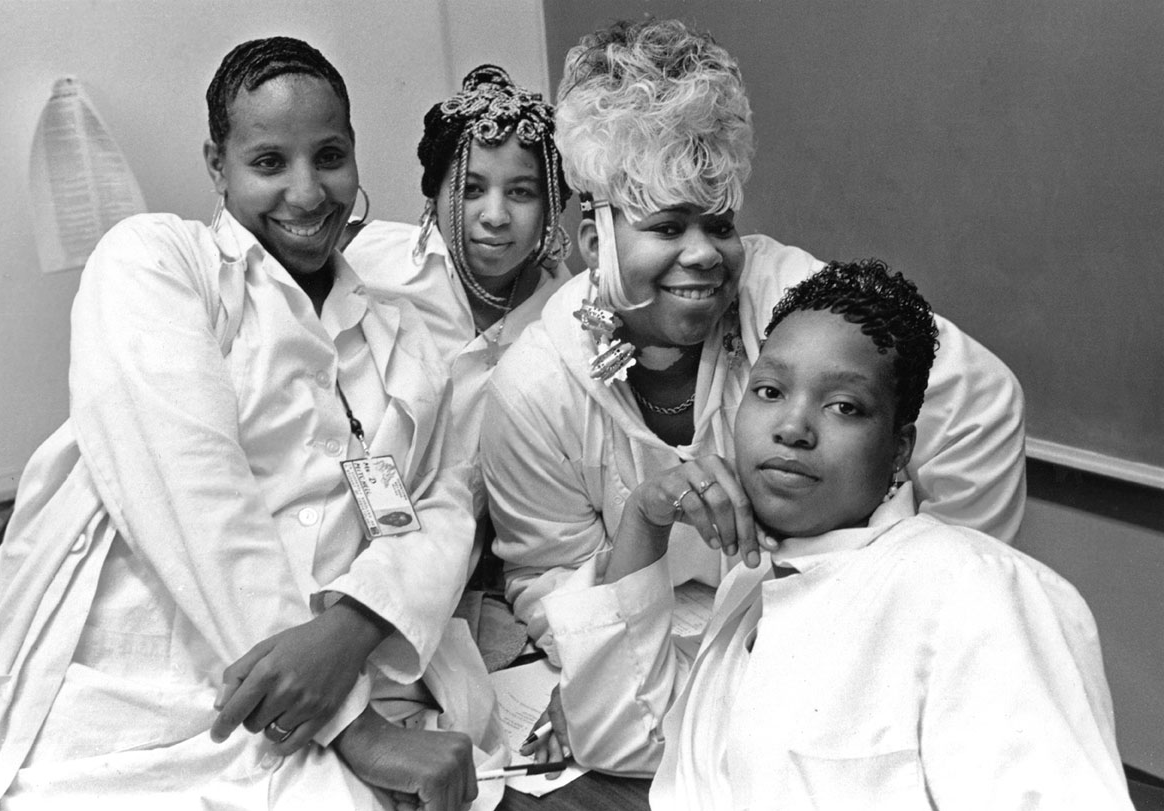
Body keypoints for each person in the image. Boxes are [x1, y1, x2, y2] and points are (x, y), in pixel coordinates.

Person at [0, 37, 502, 811]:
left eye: (329, 156)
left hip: (314, 699)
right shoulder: (155, 263)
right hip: (126, 692)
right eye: (269, 162)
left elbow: (442, 508)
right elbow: (194, 491)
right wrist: (354, 728)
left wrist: (354, 624)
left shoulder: (403, 335)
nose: (307, 193)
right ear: (217, 165)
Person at [481, 18, 1026, 669]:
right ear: (597, 244)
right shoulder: (535, 387)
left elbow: (979, 400)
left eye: (719, 225)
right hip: (652, 674)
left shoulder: (788, 298)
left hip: (822, 651)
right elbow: (547, 577)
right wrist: (655, 659)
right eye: (667, 227)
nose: (704, 254)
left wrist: (931, 610)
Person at [539, 260, 1133, 808]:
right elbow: (621, 737)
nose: (793, 427)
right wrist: (644, 522)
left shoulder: (974, 588)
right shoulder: (752, 586)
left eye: (845, 406)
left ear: (899, 449)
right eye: (770, 391)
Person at [343, 66, 571, 582]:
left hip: (460, 563)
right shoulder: (363, 259)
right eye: (471, 189)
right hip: (335, 518)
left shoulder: (572, 317)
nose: (495, 215)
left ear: (552, 204)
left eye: (521, 192)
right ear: (435, 194)